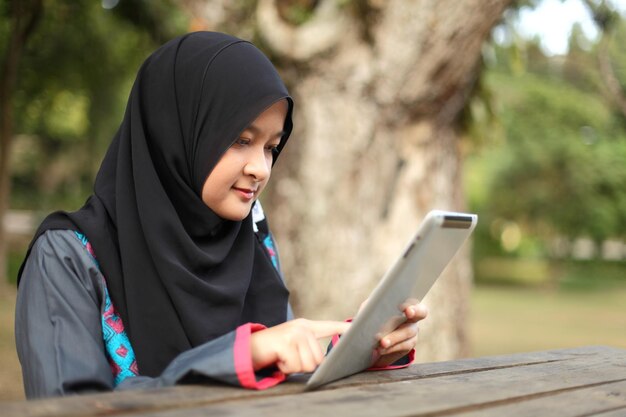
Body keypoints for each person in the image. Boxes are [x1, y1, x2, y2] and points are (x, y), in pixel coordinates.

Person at [15, 32, 428, 399]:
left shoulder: (249, 240)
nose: (261, 169)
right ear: (175, 134)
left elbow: (278, 385)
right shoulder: (67, 256)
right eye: (240, 140)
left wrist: (357, 352)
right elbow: (69, 409)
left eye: (270, 147)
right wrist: (240, 356)